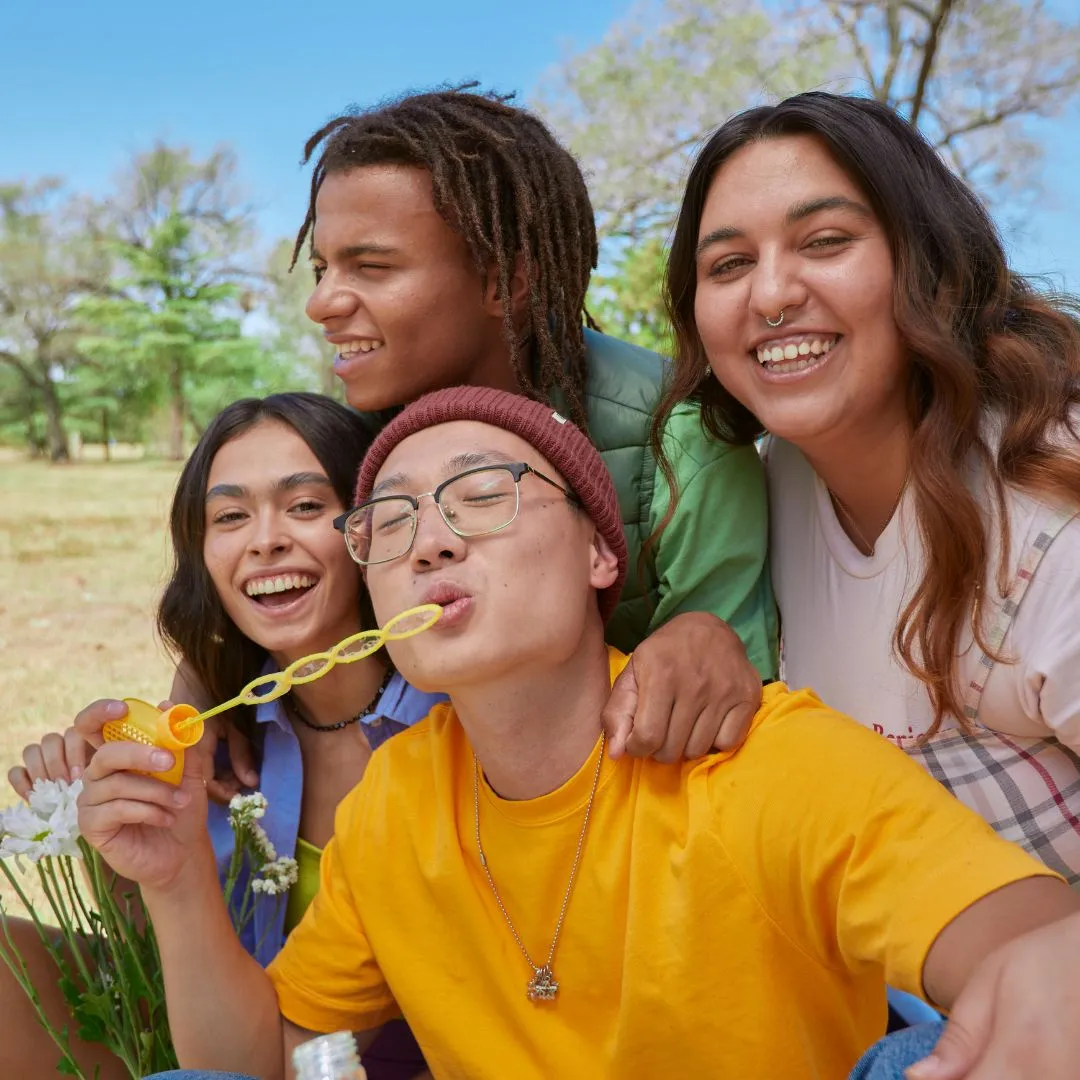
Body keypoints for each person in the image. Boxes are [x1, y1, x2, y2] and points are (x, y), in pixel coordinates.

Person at [78, 387, 1080, 1080]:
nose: (431, 537)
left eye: (482, 496)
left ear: (603, 552)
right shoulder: (393, 809)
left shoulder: (767, 762)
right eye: (388, 521)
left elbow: (1030, 958)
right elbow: (258, 1060)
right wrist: (172, 879)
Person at [253, 84, 778, 758]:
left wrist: (707, 635)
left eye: (371, 267)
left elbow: (725, 687)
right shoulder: (356, 443)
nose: (321, 303)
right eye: (324, 268)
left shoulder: (676, 442)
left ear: (507, 280)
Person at [653, 91, 1080, 882]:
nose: (772, 295)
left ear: (927, 260)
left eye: (824, 241)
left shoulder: (1052, 508)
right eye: (730, 264)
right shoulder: (758, 488)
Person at [4, 393, 439, 1080]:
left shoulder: (454, 724)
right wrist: (109, 834)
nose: (264, 540)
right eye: (230, 517)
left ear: (374, 526)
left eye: (303, 505)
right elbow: (163, 961)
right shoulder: (217, 732)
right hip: (221, 1043)